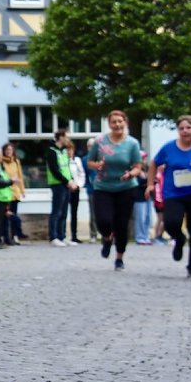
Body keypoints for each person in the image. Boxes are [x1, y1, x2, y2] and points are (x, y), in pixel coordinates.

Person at [146, 115, 191, 278]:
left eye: (188, 128)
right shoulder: (169, 148)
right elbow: (153, 164)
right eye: (181, 128)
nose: (185, 131)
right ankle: (179, 239)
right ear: (178, 131)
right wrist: (151, 184)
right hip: (173, 194)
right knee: (171, 223)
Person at [87, 110, 141, 271]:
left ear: (125, 123)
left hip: (126, 187)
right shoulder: (100, 141)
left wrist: (131, 173)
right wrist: (97, 165)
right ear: (109, 124)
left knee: (121, 224)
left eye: (120, 121)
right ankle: (106, 237)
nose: (117, 124)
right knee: (103, 221)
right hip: (103, 187)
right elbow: (90, 161)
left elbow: (138, 166)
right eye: (114, 122)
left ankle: (119, 258)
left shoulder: (132, 143)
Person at [46, 132, 77, 247]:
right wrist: (67, 181)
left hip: (66, 184)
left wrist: (71, 180)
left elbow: (66, 168)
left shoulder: (63, 151)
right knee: (56, 211)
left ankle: (62, 236)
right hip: (57, 184)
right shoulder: (51, 151)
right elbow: (55, 170)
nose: (68, 139)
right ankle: (53, 237)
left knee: (64, 211)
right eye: (66, 137)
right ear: (61, 137)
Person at [1, 143, 26, 244]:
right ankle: (6, 236)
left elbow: (20, 176)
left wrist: (22, 190)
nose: (8, 152)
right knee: (7, 216)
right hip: (6, 192)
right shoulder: (2, 162)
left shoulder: (16, 161)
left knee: (14, 214)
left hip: (15, 192)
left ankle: (15, 235)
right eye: (7, 150)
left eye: (10, 150)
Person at [68, 141, 87, 244]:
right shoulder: (63, 161)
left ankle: (74, 235)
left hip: (76, 188)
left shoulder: (77, 160)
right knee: (63, 212)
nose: (69, 152)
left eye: (71, 150)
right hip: (66, 188)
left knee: (74, 213)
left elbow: (81, 173)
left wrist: (78, 184)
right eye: (68, 150)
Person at [80, 137, 98, 242]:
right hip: (91, 189)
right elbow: (83, 175)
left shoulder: (100, 158)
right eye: (90, 146)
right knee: (93, 213)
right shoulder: (84, 160)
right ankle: (93, 234)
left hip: (102, 189)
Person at [133, 153, 153, 245]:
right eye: (142, 158)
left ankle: (146, 236)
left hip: (148, 197)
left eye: (145, 158)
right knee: (140, 217)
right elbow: (138, 183)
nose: (144, 160)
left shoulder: (147, 170)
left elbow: (153, 180)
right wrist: (147, 182)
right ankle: (140, 237)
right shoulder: (134, 170)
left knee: (147, 217)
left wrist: (148, 181)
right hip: (139, 197)